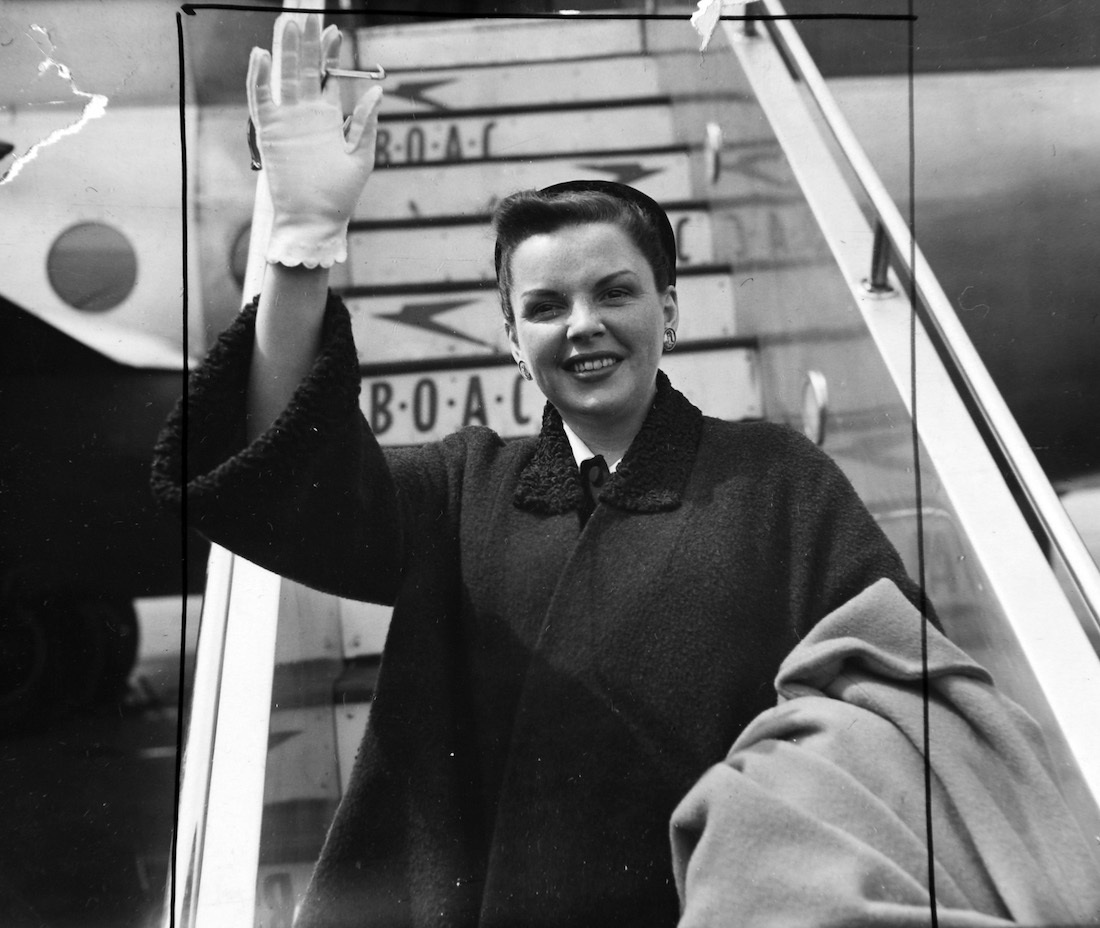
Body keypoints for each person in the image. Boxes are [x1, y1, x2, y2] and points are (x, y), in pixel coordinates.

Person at [153, 13, 1100, 928]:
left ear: (672, 314)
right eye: (546, 306)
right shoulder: (459, 491)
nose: (584, 325)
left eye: (616, 292)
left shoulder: (776, 481)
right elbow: (292, 478)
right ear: (513, 344)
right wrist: (301, 247)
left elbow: (891, 700)